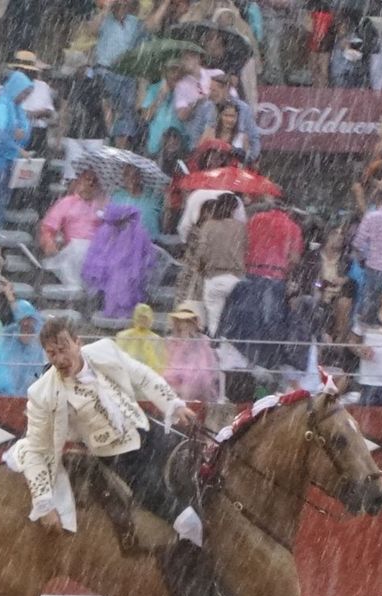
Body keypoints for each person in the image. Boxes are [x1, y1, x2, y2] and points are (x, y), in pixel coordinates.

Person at [5, 316, 211, 596]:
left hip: (153, 435)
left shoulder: (104, 351)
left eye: (64, 349)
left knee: (209, 483)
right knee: (188, 521)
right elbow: (37, 452)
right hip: (122, 462)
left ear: (79, 343)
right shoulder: (43, 394)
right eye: (52, 353)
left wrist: (173, 404)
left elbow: (141, 375)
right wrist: (44, 502)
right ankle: (207, 592)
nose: (60, 358)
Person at [184, 191, 246, 334]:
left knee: (213, 322)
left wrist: (200, 268)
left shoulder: (208, 226)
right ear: (234, 209)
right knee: (232, 322)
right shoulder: (240, 227)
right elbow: (244, 250)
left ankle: (214, 348)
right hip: (235, 278)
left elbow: (201, 253)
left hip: (213, 277)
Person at [84, 204, 160, 318]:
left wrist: (128, 270)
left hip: (131, 271)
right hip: (112, 271)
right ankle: (112, 310)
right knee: (116, 277)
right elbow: (98, 253)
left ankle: (124, 311)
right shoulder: (105, 231)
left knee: (122, 278)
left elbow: (140, 258)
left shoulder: (138, 233)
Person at [38, 168, 105, 290]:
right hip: (75, 251)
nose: (90, 184)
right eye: (87, 180)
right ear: (79, 181)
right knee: (80, 249)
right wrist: (49, 243)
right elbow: (48, 228)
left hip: (98, 252)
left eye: (94, 181)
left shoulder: (101, 205)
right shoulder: (66, 203)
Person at [0, 70, 34, 230]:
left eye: (28, 94)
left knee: (1, 203)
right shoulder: (0, 107)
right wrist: (18, 149)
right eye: (24, 92)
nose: (25, 97)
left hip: (9, 165)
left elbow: (23, 131)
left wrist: (19, 138)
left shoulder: (16, 109)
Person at [94, 0, 144, 148]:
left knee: (127, 113)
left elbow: (144, 42)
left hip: (127, 73)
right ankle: (107, 138)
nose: (122, 4)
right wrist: (106, 8)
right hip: (105, 70)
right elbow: (92, 29)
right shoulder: (105, 19)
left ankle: (119, 153)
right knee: (105, 104)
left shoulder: (135, 23)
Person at [186, 73, 261, 164]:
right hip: (209, 162)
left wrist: (250, 159)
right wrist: (196, 156)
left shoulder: (244, 109)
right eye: (210, 89)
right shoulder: (205, 108)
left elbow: (254, 138)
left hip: (235, 163)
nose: (211, 94)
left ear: (226, 89)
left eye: (214, 91)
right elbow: (195, 134)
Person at [0, 299, 47, 395]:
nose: (27, 323)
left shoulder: (36, 347)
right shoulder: (6, 341)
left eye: (30, 319)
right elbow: (0, 380)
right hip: (0, 398)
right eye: (23, 320)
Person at [162, 301, 222, 402]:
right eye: (181, 321)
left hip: (198, 378)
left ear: (194, 322)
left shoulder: (203, 340)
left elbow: (206, 365)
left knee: (194, 379)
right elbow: (168, 361)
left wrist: (190, 341)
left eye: (187, 321)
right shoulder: (171, 341)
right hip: (174, 376)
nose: (184, 325)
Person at [115, 302, 167, 372]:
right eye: (140, 317)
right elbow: (119, 359)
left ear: (150, 319)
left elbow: (159, 366)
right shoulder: (123, 336)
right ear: (135, 317)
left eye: (145, 318)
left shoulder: (156, 339)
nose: (142, 320)